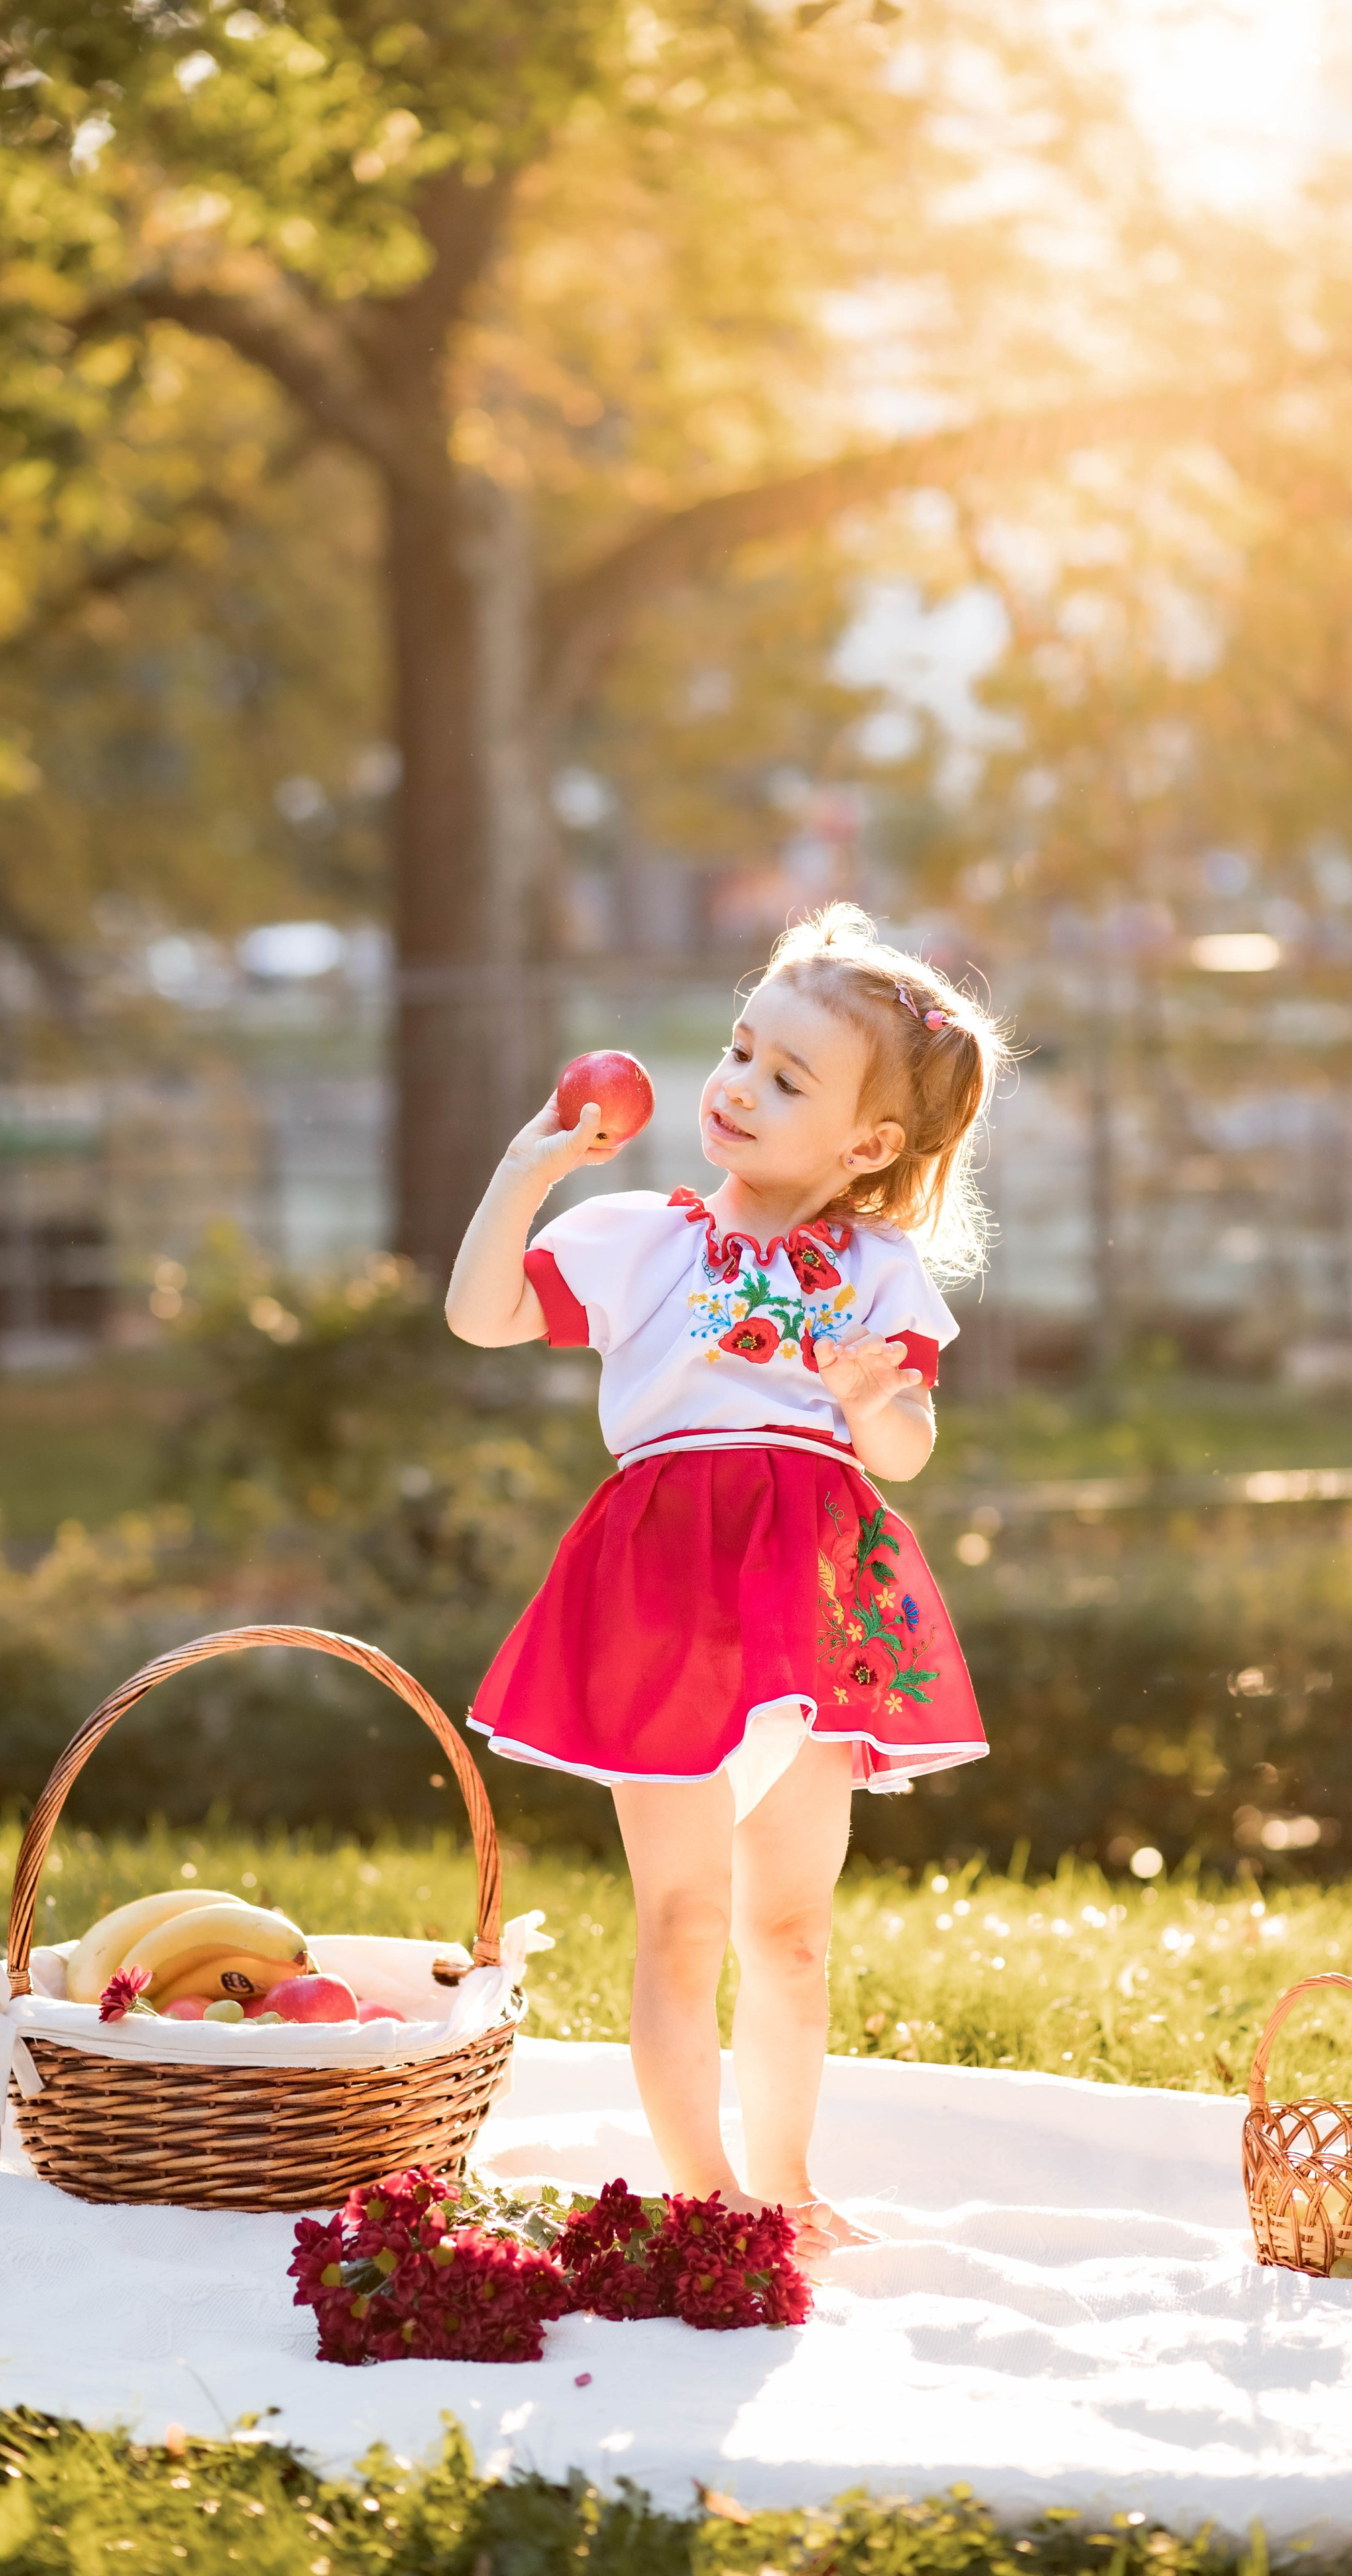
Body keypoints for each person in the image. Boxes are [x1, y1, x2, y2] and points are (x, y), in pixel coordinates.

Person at [445, 905, 1011, 2256]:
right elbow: (482, 1314)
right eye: (739, 1050)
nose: (737, 1085)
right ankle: (708, 2199)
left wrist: (871, 1402)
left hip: (813, 1602)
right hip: (667, 1596)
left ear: (867, 1146)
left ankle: (787, 2183)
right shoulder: (640, 1237)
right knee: (685, 1917)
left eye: (786, 1079)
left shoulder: (876, 1272)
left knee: (793, 1927)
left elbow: (906, 1450)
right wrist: (527, 1170)